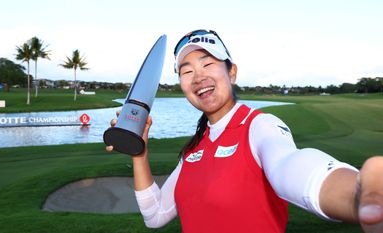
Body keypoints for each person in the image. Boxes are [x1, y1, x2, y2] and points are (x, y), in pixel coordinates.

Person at [106, 29, 383, 233]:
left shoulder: (260, 126)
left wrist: (357, 193)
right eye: (186, 71)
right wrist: (139, 153)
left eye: (208, 63)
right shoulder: (192, 151)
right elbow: (154, 215)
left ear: (232, 72)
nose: (198, 76)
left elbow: (289, 166)